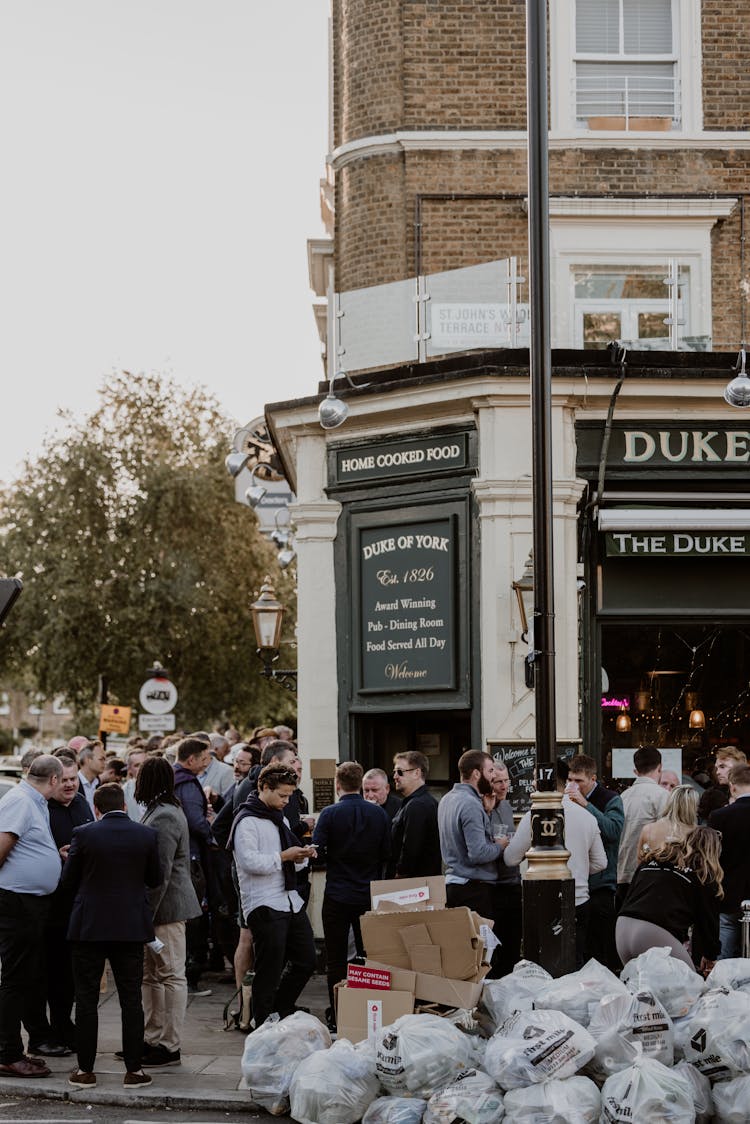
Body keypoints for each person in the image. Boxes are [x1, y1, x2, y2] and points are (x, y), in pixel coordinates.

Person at [63, 783, 161, 1089]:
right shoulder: (146, 834)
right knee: (131, 999)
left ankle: (85, 1070)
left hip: (89, 926)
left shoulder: (84, 833)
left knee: (87, 998)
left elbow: (68, 882)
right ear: (125, 806)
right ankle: (134, 1070)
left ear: (96, 808)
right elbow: (155, 879)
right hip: (130, 926)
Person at [230, 763, 317, 1029]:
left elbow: (292, 860)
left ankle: (278, 1010)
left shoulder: (281, 818)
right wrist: (285, 856)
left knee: (306, 960)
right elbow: (248, 862)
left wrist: (302, 856)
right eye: (282, 795)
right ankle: (262, 1025)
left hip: (289, 900)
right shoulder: (246, 820)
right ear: (264, 788)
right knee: (269, 970)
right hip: (263, 903)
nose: (286, 801)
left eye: (289, 795)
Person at [504, 761, 607, 966]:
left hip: (541, 900)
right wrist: (578, 869)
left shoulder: (533, 815)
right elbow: (601, 862)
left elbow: (511, 858)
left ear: (542, 780)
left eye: (535, 778)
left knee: (542, 964)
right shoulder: (587, 817)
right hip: (579, 899)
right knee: (575, 961)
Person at [136, 756, 202, 1068]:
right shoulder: (160, 809)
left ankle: (169, 1044)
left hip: (168, 908)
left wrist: (143, 915)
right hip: (162, 908)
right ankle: (151, 1038)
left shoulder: (163, 815)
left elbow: (158, 873)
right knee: (151, 976)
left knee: (171, 975)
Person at [0, 754, 63, 1079]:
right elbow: (1, 846)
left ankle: (14, 1050)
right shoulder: (21, 801)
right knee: (14, 979)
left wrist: (52, 855)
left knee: (24, 978)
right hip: (17, 903)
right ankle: (8, 1053)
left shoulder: (32, 800)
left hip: (30, 903)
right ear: (53, 779)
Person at [312, 761, 390, 1023]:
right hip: (367, 894)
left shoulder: (330, 814)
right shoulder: (379, 815)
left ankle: (337, 1013)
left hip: (336, 893)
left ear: (337, 785)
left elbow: (317, 852)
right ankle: (367, 1010)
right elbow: (386, 854)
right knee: (369, 956)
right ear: (360, 785)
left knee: (334, 958)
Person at [616, 826, 722, 973]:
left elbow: (629, 895)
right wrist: (710, 955)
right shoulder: (702, 874)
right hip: (653, 933)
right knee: (689, 988)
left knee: (639, 988)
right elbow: (708, 921)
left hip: (623, 929)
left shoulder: (652, 860)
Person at [43, 754, 94, 1054]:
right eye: (64, 780)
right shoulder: (43, 809)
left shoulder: (81, 804)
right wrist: (57, 855)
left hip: (80, 902)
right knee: (54, 970)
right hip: (52, 904)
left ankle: (66, 1023)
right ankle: (55, 1026)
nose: (70, 785)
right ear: (53, 781)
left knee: (75, 972)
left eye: (73, 779)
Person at [565, 754, 624, 972]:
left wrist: (586, 805)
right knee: (579, 948)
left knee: (600, 948)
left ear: (592, 778)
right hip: (575, 884)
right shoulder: (564, 799)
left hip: (601, 884)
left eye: (578, 781)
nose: (573, 785)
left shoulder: (611, 799)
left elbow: (613, 831)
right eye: (570, 780)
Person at [172, 736, 215, 994]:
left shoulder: (174, 778)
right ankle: (189, 974)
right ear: (191, 760)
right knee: (193, 915)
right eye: (203, 758)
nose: (207, 761)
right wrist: (212, 837)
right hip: (192, 857)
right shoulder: (187, 784)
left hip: (183, 854)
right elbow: (194, 820)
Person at [616, 746, 669, 908]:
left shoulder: (622, 797)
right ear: (659, 768)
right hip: (650, 874)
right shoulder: (662, 796)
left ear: (635, 771)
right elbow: (667, 837)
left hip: (621, 872)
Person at [484, 762, 522, 976]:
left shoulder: (507, 807)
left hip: (513, 880)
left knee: (513, 943)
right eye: (498, 782)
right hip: (494, 885)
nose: (504, 786)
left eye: (506, 781)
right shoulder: (483, 807)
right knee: (494, 948)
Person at [708, 763, 750, 959]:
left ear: (732, 786)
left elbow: (712, 857)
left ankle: (722, 986)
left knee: (724, 955)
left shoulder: (720, 816)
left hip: (729, 890)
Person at [388, 751, 441, 878]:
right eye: (394, 771)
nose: (395, 776)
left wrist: (400, 873)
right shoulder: (417, 802)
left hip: (414, 885)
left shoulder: (418, 805)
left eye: (400, 772)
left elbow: (411, 847)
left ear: (417, 773)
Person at [637, 784, 698, 862]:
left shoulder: (648, 830)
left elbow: (640, 862)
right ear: (692, 807)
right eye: (697, 806)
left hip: (652, 873)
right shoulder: (696, 833)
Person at [698, 746, 747, 822]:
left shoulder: (746, 794)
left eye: (722, 767)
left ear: (738, 768)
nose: (717, 772)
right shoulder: (711, 796)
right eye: (717, 768)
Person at [77, 741, 107, 815]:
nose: (105, 763)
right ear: (87, 760)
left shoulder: (101, 786)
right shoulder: (72, 785)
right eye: (101, 759)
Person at [123, 746, 147, 821]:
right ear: (130, 769)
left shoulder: (161, 787)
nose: (141, 768)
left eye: (144, 764)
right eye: (137, 765)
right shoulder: (125, 790)